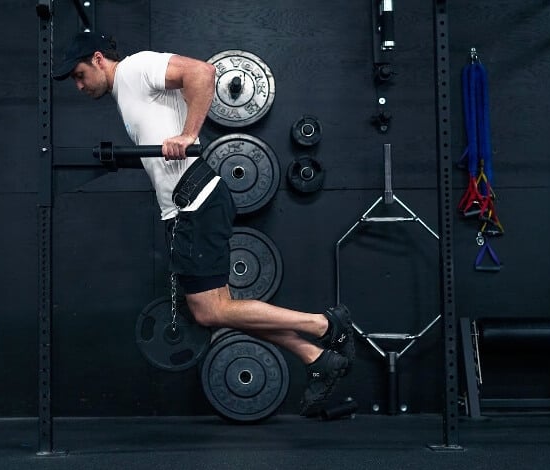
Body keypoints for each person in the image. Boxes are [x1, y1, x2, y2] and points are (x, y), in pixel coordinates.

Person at [53, 32, 354, 416]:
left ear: (98, 59)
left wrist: (189, 134)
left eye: (79, 75)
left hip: (194, 203)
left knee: (210, 312)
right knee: (222, 308)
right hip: (188, 207)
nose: (79, 86)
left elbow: (202, 72)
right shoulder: (126, 90)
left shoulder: (133, 69)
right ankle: (317, 358)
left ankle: (324, 325)